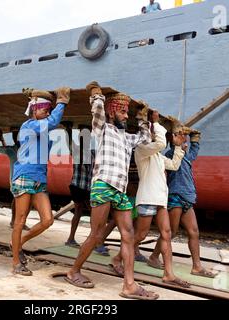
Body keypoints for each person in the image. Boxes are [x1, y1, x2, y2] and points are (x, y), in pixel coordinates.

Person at [65, 81, 159, 300]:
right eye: (123, 112)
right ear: (112, 111)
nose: (126, 116)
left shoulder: (126, 138)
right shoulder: (103, 129)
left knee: (129, 235)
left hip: (119, 190)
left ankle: (129, 285)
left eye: (127, 113)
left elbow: (145, 138)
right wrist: (96, 96)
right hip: (103, 186)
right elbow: (97, 113)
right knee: (97, 234)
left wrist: (142, 118)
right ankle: (73, 271)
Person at [120, 110, 190, 288]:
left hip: (160, 200)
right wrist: (156, 122)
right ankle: (117, 258)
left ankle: (169, 274)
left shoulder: (158, 156)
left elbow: (174, 165)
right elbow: (159, 143)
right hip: (147, 198)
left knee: (166, 234)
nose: (154, 134)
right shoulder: (142, 150)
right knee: (141, 235)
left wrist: (178, 148)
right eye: (151, 132)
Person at [11, 87, 71, 276]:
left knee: (47, 220)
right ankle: (15, 262)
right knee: (20, 221)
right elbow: (52, 122)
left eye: (49, 108)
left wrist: (63, 130)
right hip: (25, 176)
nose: (47, 111)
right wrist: (62, 102)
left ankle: (18, 243)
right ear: (34, 109)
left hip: (39, 180)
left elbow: (52, 141)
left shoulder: (42, 130)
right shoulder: (28, 126)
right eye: (44, 108)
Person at [148, 128, 217, 279]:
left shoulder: (185, 154)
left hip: (188, 197)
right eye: (179, 136)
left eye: (184, 136)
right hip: (175, 196)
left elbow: (194, 152)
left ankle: (197, 267)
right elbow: (173, 165)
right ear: (172, 139)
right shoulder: (169, 154)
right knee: (171, 232)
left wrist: (195, 138)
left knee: (194, 232)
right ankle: (154, 257)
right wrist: (179, 146)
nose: (183, 138)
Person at [64, 124, 94, 248]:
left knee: (78, 212)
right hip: (84, 187)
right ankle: (96, 241)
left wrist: (69, 130)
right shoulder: (89, 152)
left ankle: (71, 238)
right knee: (94, 213)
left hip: (76, 185)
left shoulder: (78, 149)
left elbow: (69, 142)